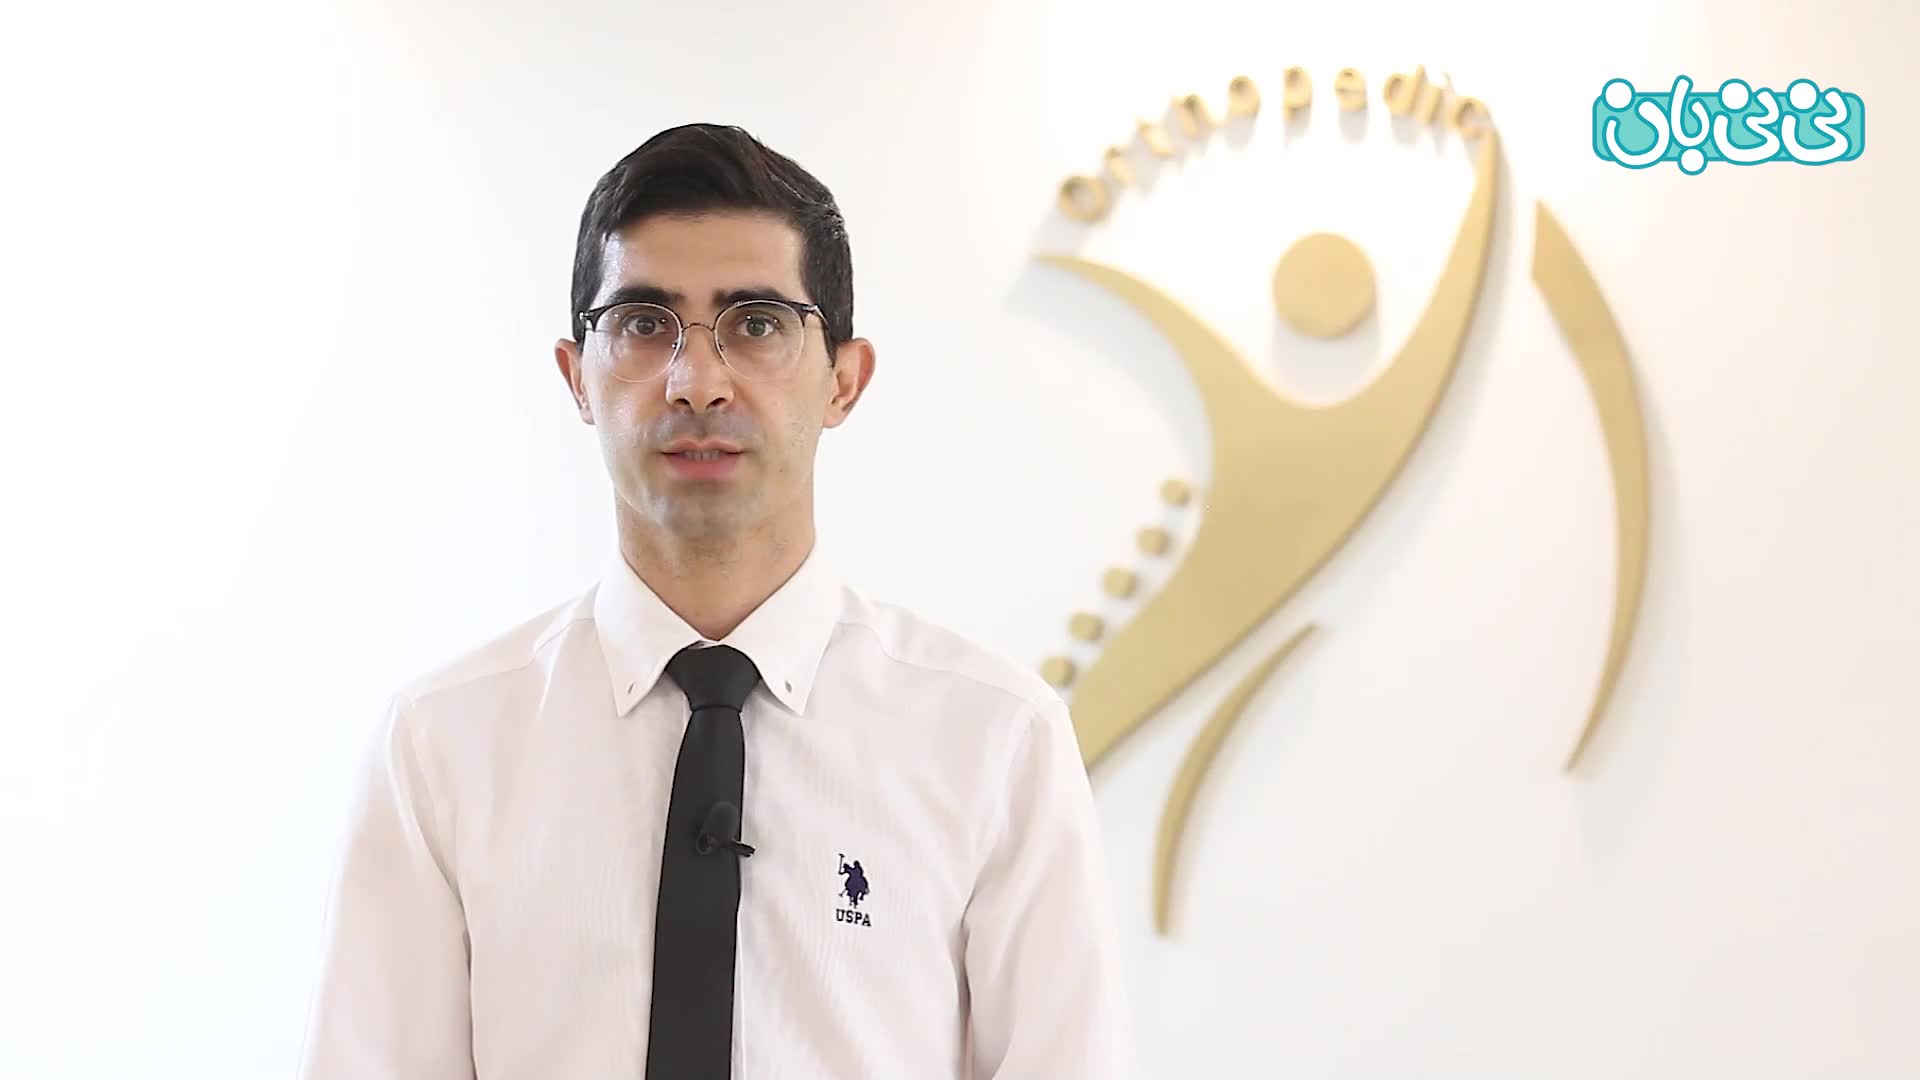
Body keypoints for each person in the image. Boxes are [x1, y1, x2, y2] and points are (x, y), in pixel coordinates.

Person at [296, 123, 1135, 1080]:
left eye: (759, 324)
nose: (697, 383)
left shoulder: (994, 739)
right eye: (644, 324)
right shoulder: (443, 746)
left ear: (845, 380)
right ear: (576, 378)